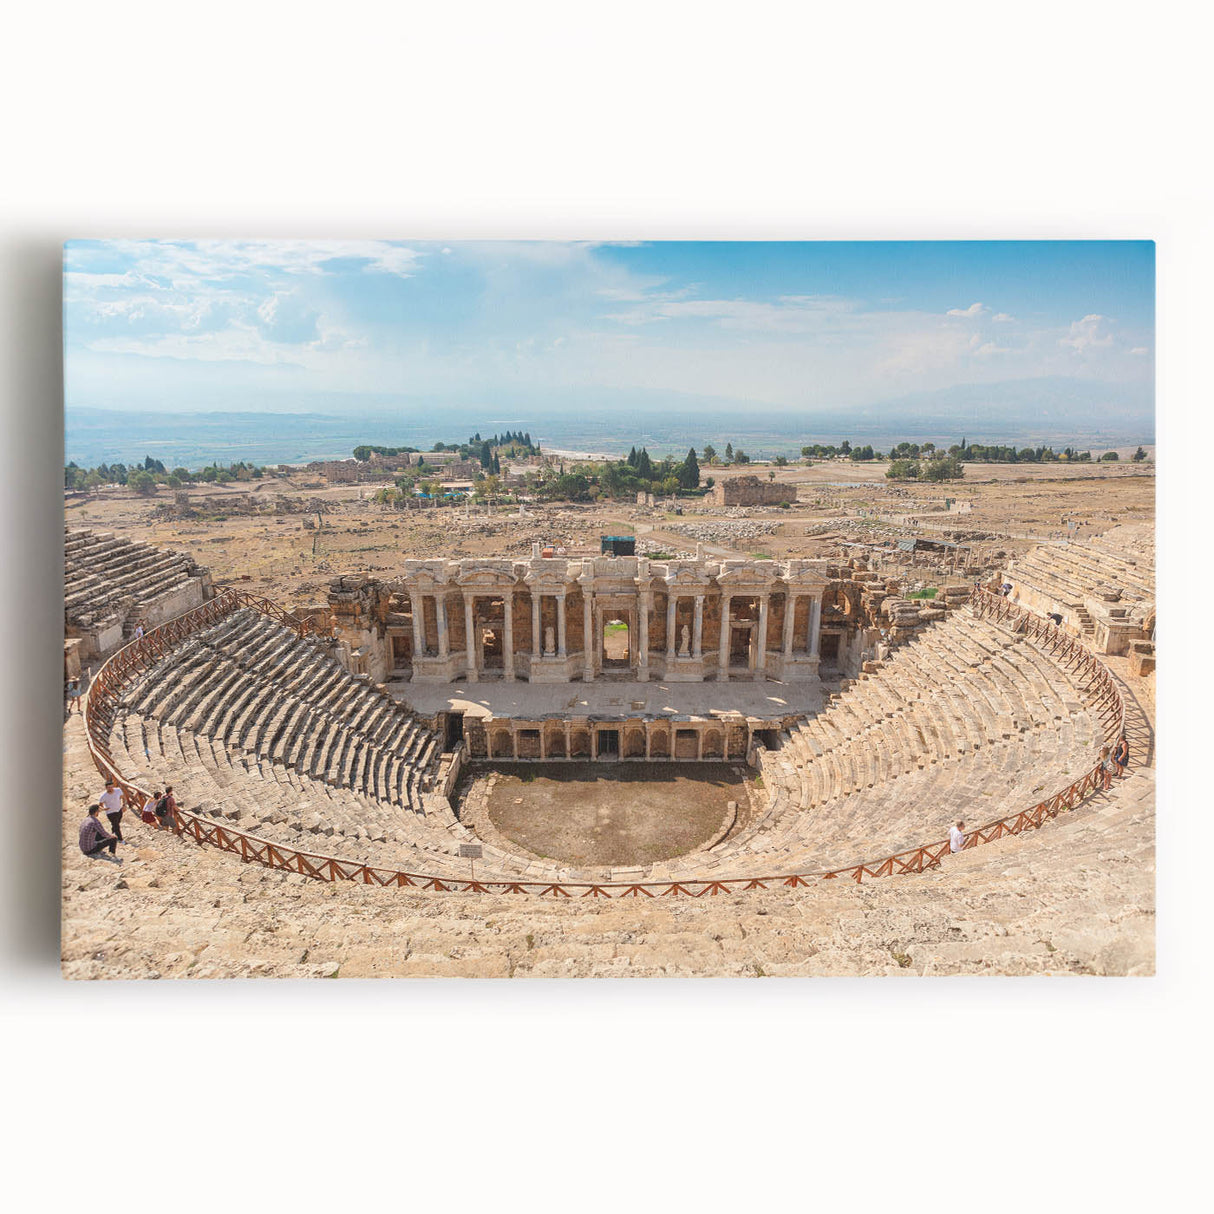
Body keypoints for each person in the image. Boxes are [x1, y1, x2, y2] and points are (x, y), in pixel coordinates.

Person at [98, 779, 126, 844]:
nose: (110, 788)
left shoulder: (118, 790)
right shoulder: (103, 796)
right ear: (106, 788)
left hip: (119, 810)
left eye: (111, 787)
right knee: (116, 826)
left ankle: (113, 831)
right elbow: (100, 806)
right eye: (108, 787)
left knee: (117, 823)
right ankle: (120, 839)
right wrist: (104, 809)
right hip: (110, 813)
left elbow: (123, 797)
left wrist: (124, 805)